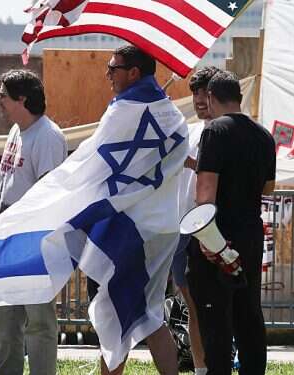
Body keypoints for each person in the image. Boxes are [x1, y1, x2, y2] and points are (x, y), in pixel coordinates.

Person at [97, 45, 180, 375]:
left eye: (112, 68)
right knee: (148, 312)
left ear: (134, 73)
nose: (108, 75)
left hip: (134, 227)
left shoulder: (124, 111)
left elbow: (101, 162)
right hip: (160, 226)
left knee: (116, 311)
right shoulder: (169, 112)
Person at [188, 71, 276, 375]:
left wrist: (206, 239)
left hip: (219, 236)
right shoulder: (264, 135)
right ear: (238, 97)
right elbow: (268, 188)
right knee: (249, 314)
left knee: (215, 319)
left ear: (211, 98)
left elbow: (205, 191)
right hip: (250, 233)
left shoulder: (214, 132)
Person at [0, 69, 67, 375]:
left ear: (22, 99)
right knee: (3, 319)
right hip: (7, 232)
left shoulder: (48, 136)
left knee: (39, 321)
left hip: (34, 238)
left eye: (3, 96)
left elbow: (50, 195)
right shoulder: (16, 130)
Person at [172, 66, 222, 375]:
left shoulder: (224, 132)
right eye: (195, 92)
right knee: (192, 307)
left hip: (210, 229)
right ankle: (202, 368)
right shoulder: (189, 131)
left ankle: (218, 365)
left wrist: (192, 163)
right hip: (181, 229)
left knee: (214, 308)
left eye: (205, 92)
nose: (200, 99)